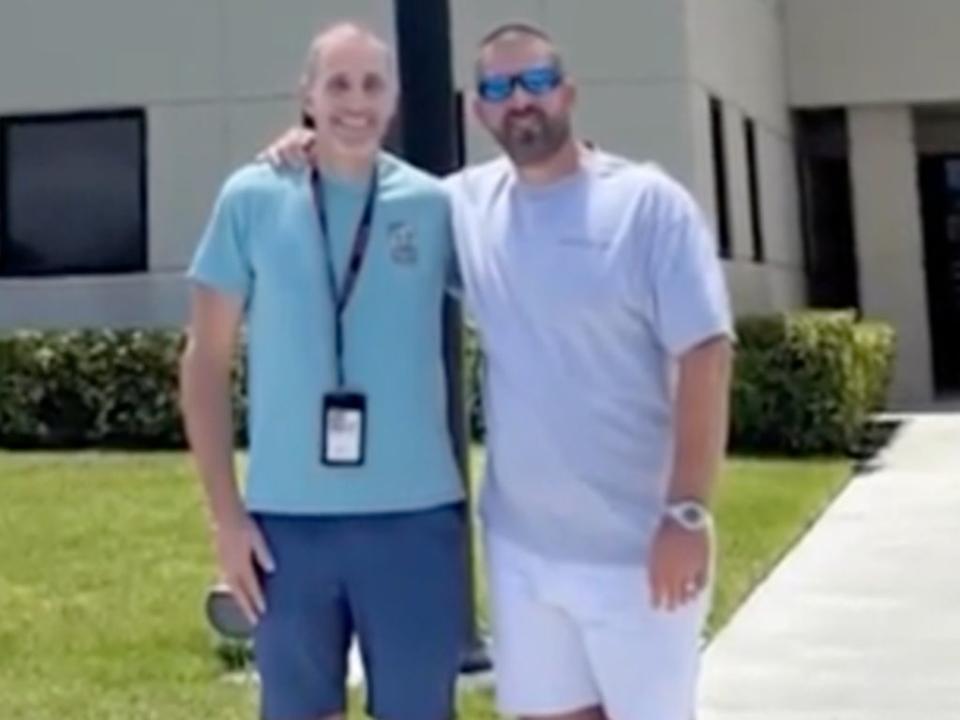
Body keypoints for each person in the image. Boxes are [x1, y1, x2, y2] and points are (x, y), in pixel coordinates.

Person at [263, 21, 734, 720]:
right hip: (522, 555)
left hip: (639, 551)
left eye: (537, 82)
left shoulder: (647, 206)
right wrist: (311, 143)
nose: (521, 101)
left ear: (568, 92)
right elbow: (373, 197)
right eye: (499, 88)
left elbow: (705, 354)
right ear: (480, 110)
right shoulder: (463, 207)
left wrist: (687, 512)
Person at [180, 22, 467, 720]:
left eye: (373, 84)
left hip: (414, 521)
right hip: (287, 527)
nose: (356, 102)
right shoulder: (251, 198)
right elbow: (205, 362)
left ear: (396, 97)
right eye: (337, 83)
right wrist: (227, 518)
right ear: (305, 96)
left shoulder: (435, 207)